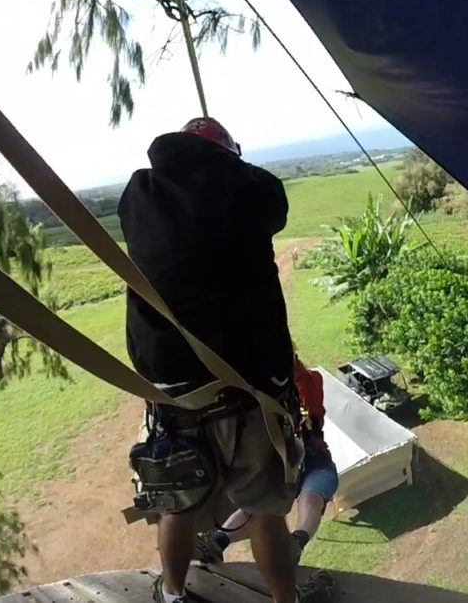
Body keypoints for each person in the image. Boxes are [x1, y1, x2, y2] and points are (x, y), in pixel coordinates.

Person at [118, 117, 336, 603]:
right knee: (266, 511)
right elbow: (272, 205)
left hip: (176, 392)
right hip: (251, 390)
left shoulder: (139, 193)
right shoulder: (250, 187)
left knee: (177, 504)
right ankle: (285, 600)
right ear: (226, 154)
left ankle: (173, 593)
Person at [193, 357, 339, 567]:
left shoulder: (309, 387)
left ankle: (296, 542)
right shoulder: (267, 401)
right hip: (282, 462)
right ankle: (217, 541)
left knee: (311, 497)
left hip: (314, 460)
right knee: (255, 505)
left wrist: (287, 361)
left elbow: (309, 382)